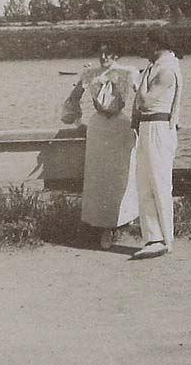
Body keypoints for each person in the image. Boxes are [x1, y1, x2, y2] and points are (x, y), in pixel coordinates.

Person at [61, 43, 139, 250]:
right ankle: (95, 226)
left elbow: (143, 97)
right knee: (97, 179)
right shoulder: (90, 74)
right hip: (97, 128)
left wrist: (140, 122)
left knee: (119, 177)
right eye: (101, 53)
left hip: (120, 127)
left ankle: (114, 226)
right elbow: (72, 100)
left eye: (109, 53)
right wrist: (77, 122)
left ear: (116, 54)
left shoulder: (128, 72)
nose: (104, 56)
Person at [131, 33, 183, 259]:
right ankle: (153, 237)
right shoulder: (154, 66)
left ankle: (165, 238)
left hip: (159, 128)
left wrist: (138, 82)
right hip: (147, 128)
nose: (142, 45)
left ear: (158, 45)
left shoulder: (166, 69)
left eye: (146, 42)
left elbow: (145, 102)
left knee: (160, 184)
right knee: (144, 184)